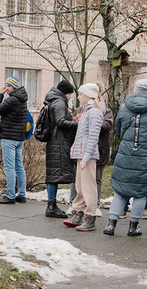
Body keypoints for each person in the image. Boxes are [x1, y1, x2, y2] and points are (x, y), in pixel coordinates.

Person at [106, 78, 147, 237]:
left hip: (125, 154)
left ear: (136, 90)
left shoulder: (124, 107)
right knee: (141, 192)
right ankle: (133, 227)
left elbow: (118, 131)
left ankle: (111, 224)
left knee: (120, 190)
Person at [65, 83, 105, 232]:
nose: (79, 96)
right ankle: (78, 211)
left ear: (88, 95)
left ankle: (90, 215)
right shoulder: (87, 111)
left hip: (87, 154)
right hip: (81, 153)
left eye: (81, 94)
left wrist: (86, 157)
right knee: (80, 186)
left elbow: (93, 136)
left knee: (89, 187)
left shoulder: (94, 111)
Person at [43, 80, 79, 218]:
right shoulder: (59, 102)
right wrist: (76, 123)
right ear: (66, 93)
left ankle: (52, 205)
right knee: (54, 175)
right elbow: (60, 121)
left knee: (53, 174)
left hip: (55, 141)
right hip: (58, 142)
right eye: (70, 94)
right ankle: (51, 206)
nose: (71, 97)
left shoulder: (55, 100)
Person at [0, 76, 29, 204]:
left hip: (9, 137)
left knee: (9, 167)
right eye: (5, 86)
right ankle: (22, 194)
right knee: (19, 166)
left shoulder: (12, 100)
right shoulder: (22, 98)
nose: (6, 88)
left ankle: (10, 195)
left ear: (14, 86)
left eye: (8, 86)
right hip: (19, 137)